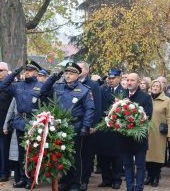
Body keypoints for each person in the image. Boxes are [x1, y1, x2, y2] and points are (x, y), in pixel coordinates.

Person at [40, 62, 95, 191]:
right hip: (59, 126)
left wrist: (85, 126)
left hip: (75, 126)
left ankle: (75, 183)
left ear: (77, 75)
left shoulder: (84, 90)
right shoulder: (58, 86)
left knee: (75, 156)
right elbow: (43, 92)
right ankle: (64, 181)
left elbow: (90, 109)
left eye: (71, 73)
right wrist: (52, 78)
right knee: (61, 155)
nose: (68, 76)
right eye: (66, 73)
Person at [0, 60, 43, 189]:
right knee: (22, 153)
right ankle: (23, 178)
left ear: (35, 72)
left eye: (29, 70)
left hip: (34, 123)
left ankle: (31, 179)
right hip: (20, 122)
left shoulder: (40, 86)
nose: (27, 72)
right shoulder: (18, 85)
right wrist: (15, 72)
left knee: (32, 153)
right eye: (25, 70)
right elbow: (3, 86)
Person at [119, 73, 152, 191]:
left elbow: (148, 116)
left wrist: (134, 122)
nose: (129, 82)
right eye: (127, 80)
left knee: (140, 166)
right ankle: (129, 188)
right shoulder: (121, 95)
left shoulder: (145, 97)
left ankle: (138, 188)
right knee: (127, 166)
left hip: (139, 139)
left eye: (132, 80)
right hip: (124, 138)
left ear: (138, 82)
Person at [95, 68, 125, 190]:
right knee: (103, 155)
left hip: (117, 128)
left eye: (113, 78)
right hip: (104, 127)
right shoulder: (102, 90)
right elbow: (99, 107)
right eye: (109, 78)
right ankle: (106, 179)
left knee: (117, 156)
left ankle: (116, 180)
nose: (110, 80)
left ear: (119, 78)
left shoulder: (124, 91)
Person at [77, 61, 102, 190]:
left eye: (79, 68)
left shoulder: (93, 85)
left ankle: (84, 180)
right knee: (74, 155)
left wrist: (93, 125)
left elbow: (97, 107)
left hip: (88, 126)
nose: (77, 70)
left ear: (86, 70)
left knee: (86, 155)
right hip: (74, 125)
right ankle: (74, 179)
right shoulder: (71, 83)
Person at [145, 80, 170, 187]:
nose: (155, 87)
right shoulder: (146, 98)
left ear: (161, 88)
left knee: (157, 157)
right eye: (154, 85)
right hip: (146, 131)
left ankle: (156, 177)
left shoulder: (166, 100)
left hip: (159, 133)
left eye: (158, 86)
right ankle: (148, 176)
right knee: (146, 156)